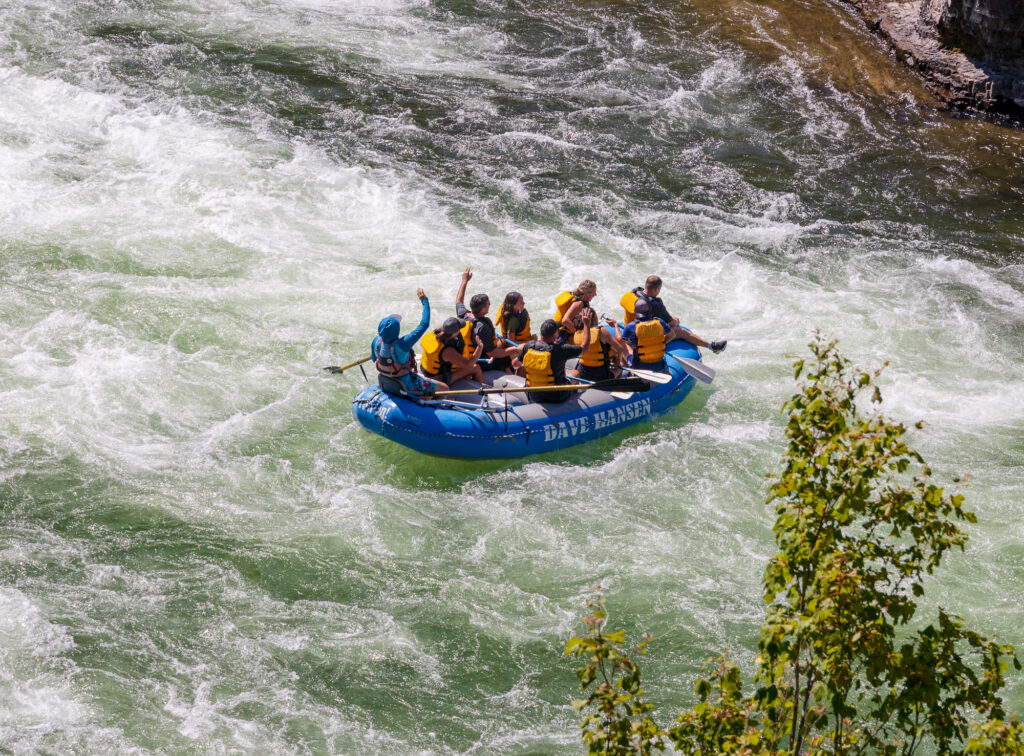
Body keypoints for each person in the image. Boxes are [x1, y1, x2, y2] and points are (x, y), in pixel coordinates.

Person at [372, 288, 448, 395]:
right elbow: (424, 324)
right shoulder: (403, 344)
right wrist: (424, 300)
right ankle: (439, 405)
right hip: (406, 385)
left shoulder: (376, 342)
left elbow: (375, 359)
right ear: (397, 330)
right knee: (445, 388)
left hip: (387, 382)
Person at [621, 298, 726, 370]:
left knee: (620, 345)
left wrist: (616, 327)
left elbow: (621, 342)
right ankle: (711, 346)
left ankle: (622, 369)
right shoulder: (659, 322)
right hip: (659, 364)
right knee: (678, 331)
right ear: (650, 309)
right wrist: (660, 342)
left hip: (639, 364)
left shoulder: (631, 326)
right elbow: (672, 334)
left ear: (635, 311)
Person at [455, 267, 519, 373]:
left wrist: (464, 281)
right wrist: (514, 349)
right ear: (483, 309)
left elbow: (459, 300)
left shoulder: (464, 315)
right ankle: (512, 379)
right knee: (509, 357)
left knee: (501, 344)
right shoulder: (482, 327)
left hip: (469, 355)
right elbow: (491, 353)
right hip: (483, 361)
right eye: (488, 304)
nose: (490, 305)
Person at [510, 319, 590, 403]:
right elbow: (585, 348)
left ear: (541, 333)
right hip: (556, 396)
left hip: (533, 394)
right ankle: (572, 405)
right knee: (575, 373)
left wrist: (523, 351)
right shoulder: (561, 349)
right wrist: (586, 325)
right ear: (555, 335)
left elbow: (515, 365)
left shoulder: (529, 346)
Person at [420, 317, 484, 386]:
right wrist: (480, 347)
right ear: (455, 333)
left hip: (426, 370)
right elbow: (467, 364)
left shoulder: (437, 332)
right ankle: (484, 391)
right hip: (438, 378)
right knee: (475, 368)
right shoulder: (448, 351)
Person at [568, 309, 629, 382]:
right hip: (601, 374)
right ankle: (616, 384)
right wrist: (617, 362)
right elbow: (620, 349)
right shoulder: (601, 331)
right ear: (594, 318)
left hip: (583, 370)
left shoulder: (576, 332)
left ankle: (572, 383)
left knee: (574, 372)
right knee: (621, 365)